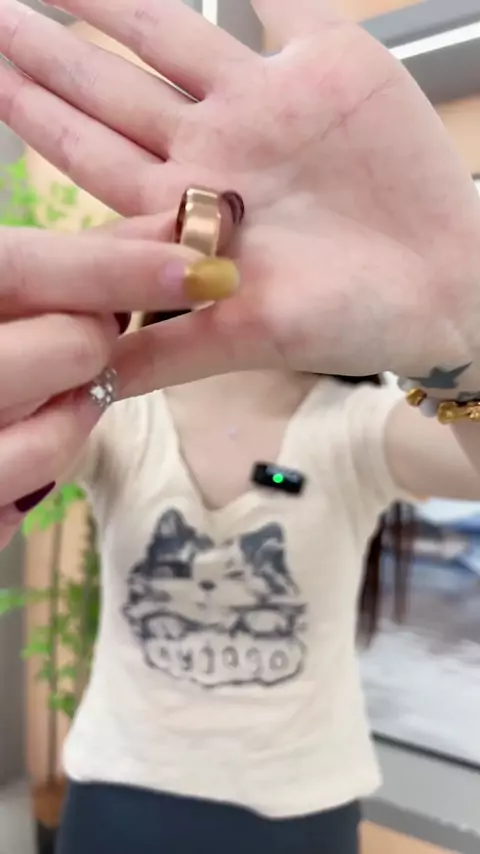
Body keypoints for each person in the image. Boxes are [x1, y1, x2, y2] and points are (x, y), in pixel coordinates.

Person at [0, 1, 479, 852]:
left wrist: (463, 327)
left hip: (300, 812)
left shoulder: (356, 430)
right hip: (119, 793)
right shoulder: (119, 411)